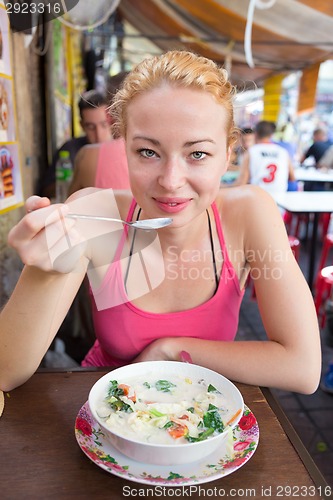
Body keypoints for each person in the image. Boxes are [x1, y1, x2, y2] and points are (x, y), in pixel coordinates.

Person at [0, 51, 321, 394]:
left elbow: (302, 367)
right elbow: (5, 371)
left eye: (197, 153)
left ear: (228, 153)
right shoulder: (96, 214)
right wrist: (47, 274)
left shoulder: (249, 213)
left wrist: (170, 351)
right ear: (124, 146)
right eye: (148, 152)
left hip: (199, 416)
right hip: (104, 413)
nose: (171, 180)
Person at [40, 90, 112, 198]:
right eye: (91, 127)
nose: (98, 134)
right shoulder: (70, 150)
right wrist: (74, 180)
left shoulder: (126, 149)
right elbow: (46, 192)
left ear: (112, 121)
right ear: (82, 125)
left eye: (103, 125)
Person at [234, 120, 296, 193]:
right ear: (271, 135)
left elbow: (241, 183)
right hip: (279, 199)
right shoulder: (283, 152)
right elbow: (292, 178)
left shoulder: (252, 151)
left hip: (258, 198)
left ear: (255, 134)